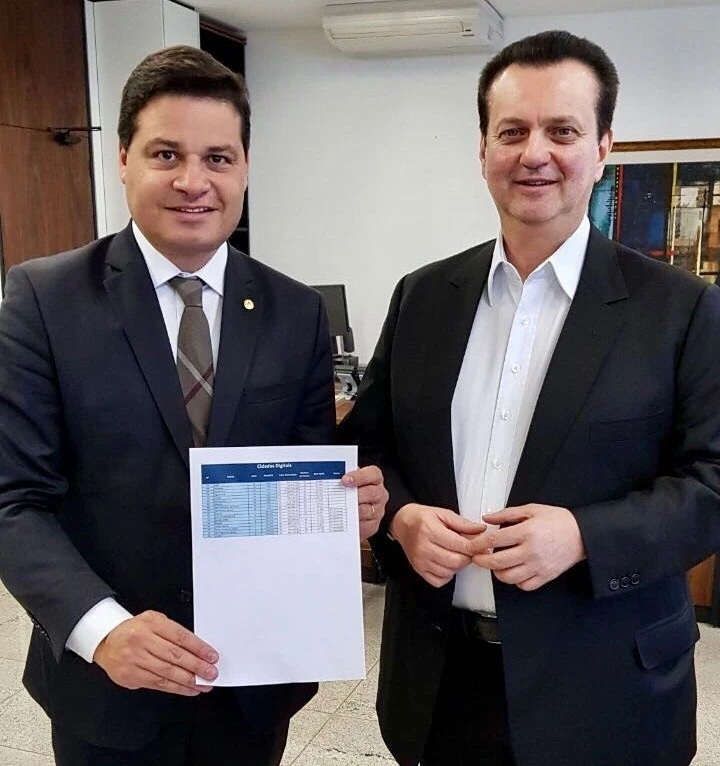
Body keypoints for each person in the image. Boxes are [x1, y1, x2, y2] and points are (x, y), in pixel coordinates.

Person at [338, 29, 720, 766]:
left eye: (562, 131)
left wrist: (583, 536)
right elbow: (371, 447)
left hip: (605, 688)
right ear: (483, 149)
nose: (534, 153)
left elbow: (712, 483)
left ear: (602, 149)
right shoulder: (424, 297)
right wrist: (403, 520)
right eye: (512, 131)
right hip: (440, 683)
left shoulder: (681, 310)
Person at [0, 46, 387, 766]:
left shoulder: (295, 312)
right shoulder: (44, 300)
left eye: (218, 158)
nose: (193, 181)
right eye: (166, 154)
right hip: (107, 687)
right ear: (123, 158)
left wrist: (346, 508)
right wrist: (101, 630)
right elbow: (14, 502)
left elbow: (305, 477)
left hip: (253, 683)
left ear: (245, 168)